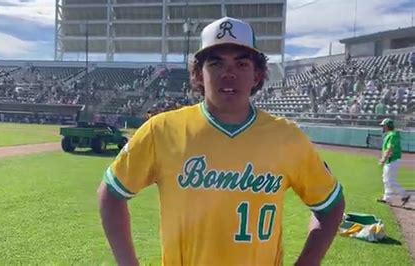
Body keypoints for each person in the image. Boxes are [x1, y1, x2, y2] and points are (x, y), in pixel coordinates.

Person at [97, 17, 345, 266]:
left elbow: (330, 205)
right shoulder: (161, 129)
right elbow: (111, 194)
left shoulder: (287, 137)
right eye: (216, 64)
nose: (229, 74)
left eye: (241, 64)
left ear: (257, 75)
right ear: (199, 74)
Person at [376, 118, 410, 205]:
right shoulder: (390, 134)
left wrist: (383, 159)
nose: (382, 128)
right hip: (391, 160)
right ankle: (388, 198)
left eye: (383, 126)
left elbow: (390, 148)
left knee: (390, 181)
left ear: (387, 126)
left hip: (392, 160)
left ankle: (404, 195)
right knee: (387, 180)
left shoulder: (393, 135)